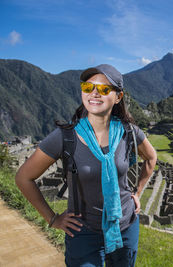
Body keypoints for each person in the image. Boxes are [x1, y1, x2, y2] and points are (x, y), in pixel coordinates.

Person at [15, 64, 157, 267]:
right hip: (83, 232)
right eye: (88, 87)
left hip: (125, 227)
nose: (95, 94)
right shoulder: (65, 137)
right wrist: (53, 219)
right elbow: (23, 177)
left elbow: (151, 158)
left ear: (118, 97)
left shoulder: (129, 132)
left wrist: (138, 192)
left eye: (104, 89)